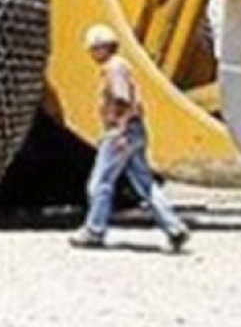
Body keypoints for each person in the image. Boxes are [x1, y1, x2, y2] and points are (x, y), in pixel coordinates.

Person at [69, 24, 190, 252]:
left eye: (93, 49)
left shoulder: (113, 68)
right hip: (135, 131)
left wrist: (119, 131)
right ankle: (174, 227)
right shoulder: (122, 66)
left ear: (102, 48)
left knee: (100, 183)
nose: (91, 54)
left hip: (120, 132)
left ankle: (94, 230)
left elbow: (122, 99)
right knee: (144, 183)